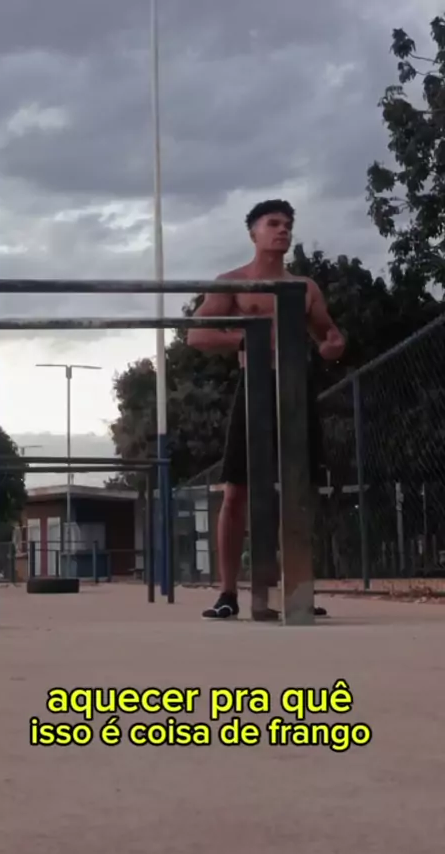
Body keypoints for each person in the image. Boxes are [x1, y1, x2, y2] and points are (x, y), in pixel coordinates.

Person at [187, 199, 346, 620]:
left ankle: (297, 588)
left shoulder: (304, 287)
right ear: (253, 233)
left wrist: (332, 345)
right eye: (273, 223)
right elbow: (197, 336)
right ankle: (227, 593)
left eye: (287, 224)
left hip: (295, 386)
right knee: (236, 491)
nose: (283, 230)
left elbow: (329, 335)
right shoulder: (233, 283)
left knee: (298, 490)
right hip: (254, 385)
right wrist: (246, 340)